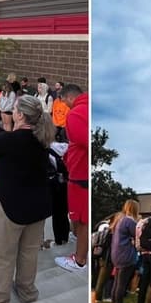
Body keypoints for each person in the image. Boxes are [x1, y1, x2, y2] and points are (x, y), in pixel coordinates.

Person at [0, 96, 55, 303]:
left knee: (3, 255)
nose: (12, 111)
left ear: (20, 115)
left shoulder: (10, 142)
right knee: (28, 253)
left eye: (14, 109)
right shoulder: (41, 140)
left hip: (8, 206)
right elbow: (7, 140)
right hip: (36, 208)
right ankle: (26, 292)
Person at [55, 85, 89, 273]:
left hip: (80, 175)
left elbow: (85, 141)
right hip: (83, 172)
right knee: (82, 218)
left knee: (82, 219)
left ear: (69, 97)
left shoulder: (76, 114)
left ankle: (79, 260)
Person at [109, 199, 140, 303]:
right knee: (122, 283)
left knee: (117, 282)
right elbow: (137, 235)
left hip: (116, 255)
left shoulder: (120, 220)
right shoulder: (130, 221)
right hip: (126, 255)